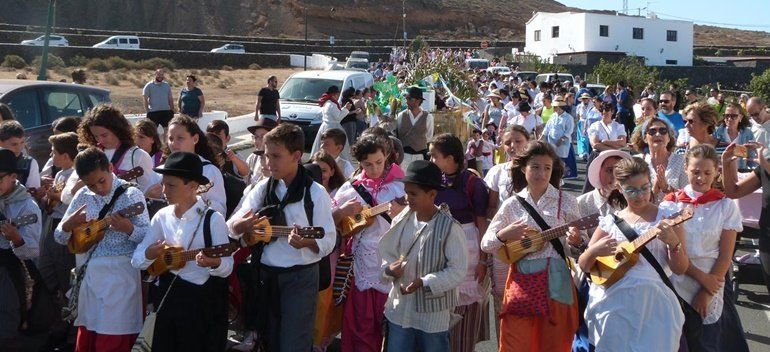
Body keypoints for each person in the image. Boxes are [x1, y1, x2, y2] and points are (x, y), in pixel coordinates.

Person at [227, 123, 336, 352]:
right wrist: (242, 225)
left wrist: (307, 242)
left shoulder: (315, 193)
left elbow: (328, 239)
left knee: (293, 343)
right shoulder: (263, 188)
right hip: (266, 276)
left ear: (296, 156)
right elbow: (231, 226)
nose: (269, 163)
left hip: (301, 278)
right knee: (270, 340)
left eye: (276, 156)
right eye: (267, 156)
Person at [578, 156, 688, 351]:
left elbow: (680, 269)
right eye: (632, 190)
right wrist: (594, 250)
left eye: (645, 187)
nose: (640, 195)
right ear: (619, 189)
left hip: (654, 304)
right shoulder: (611, 221)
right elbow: (585, 265)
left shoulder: (667, 216)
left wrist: (673, 243)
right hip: (612, 305)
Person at [481, 141, 582, 352]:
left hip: (556, 282)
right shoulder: (512, 204)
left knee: (555, 343)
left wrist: (577, 242)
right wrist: (504, 234)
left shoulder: (568, 201)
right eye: (535, 166)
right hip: (522, 281)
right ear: (523, 168)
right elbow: (486, 244)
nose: (541, 173)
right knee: (516, 342)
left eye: (547, 168)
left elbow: (580, 248)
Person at [132, 151, 233, 351]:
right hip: (168, 296)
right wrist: (150, 254)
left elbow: (227, 265)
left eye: (171, 185)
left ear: (193, 186)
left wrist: (215, 263)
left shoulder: (213, 219)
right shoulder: (162, 216)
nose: (164, 190)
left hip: (202, 303)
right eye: (163, 184)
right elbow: (137, 259)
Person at [54, 147, 150, 351]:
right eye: (91, 185)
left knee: (113, 337)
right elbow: (60, 238)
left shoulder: (131, 195)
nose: (98, 188)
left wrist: (129, 229)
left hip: (122, 276)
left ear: (110, 167)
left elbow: (148, 238)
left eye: (101, 181)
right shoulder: (82, 195)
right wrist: (67, 225)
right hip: (91, 274)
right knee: (89, 333)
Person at [662, 145, 750, 351]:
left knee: (705, 342)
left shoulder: (725, 206)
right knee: (675, 341)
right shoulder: (671, 204)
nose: (701, 178)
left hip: (712, 282)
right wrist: (702, 278)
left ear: (717, 171)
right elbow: (670, 250)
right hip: (676, 280)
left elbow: (725, 255)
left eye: (707, 173)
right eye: (695, 172)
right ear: (685, 169)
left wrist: (706, 291)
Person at [379, 160, 468, 352]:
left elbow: (458, 270)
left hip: (433, 317)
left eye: (413, 194)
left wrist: (426, 281)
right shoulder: (400, 220)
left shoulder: (450, 227)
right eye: (406, 192)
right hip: (400, 310)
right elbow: (387, 256)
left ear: (432, 194)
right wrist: (389, 270)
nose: (407, 198)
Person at [332, 135, 405, 352]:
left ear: (388, 157)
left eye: (379, 162)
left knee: (392, 326)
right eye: (367, 164)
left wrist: (402, 214)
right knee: (360, 325)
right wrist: (343, 211)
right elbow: (329, 220)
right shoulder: (351, 188)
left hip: (393, 262)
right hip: (361, 264)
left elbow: (420, 222)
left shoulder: (400, 188)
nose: (374, 169)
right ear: (359, 163)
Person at [429, 134, 491, 352]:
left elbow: (482, 224)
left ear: (451, 158)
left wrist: (484, 261)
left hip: (468, 248)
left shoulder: (473, 184)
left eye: (435, 156)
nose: (431, 160)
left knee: (465, 306)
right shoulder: (435, 180)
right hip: (438, 247)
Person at [482, 124, 530, 333]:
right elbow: (491, 207)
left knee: (530, 295)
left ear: (528, 141)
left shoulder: (538, 170)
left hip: (532, 243)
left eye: (518, 141)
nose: (513, 146)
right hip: (503, 244)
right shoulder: (496, 171)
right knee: (502, 296)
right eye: (508, 142)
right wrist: (500, 231)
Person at [0, 149, 43, 349]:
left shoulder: (27, 206)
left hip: (12, 269)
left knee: (8, 315)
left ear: (13, 176)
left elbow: (33, 251)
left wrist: (17, 239)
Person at [146, 115, 227, 216]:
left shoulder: (210, 171)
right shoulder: (159, 172)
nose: (173, 143)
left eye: (180, 138)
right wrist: (147, 197)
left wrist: (194, 203)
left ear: (195, 139)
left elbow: (220, 211)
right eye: (170, 138)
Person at [76, 105, 159, 194]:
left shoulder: (138, 156)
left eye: (104, 135)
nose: (100, 140)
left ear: (117, 129)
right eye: (95, 136)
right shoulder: (91, 155)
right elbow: (67, 195)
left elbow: (152, 192)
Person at [37, 133, 78, 311]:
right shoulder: (60, 174)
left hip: (65, 228)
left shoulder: (76, 175)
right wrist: (48, 198)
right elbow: (52, 204)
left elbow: (68, 199)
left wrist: (55, 195)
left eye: (54, 153)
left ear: (66, 156)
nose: (51, 156)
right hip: (52, 226)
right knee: (46, 269)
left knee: (64, 273)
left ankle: (69, 322)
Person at [631, 117, 687, 203]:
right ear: (645, 138)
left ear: (668, 138)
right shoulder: (636, 162)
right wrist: (653, 192)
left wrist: (666, 188)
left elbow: (688, 196)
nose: (658, 134)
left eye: (663, 131)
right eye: (652, 131)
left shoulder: (681, 161)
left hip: (675, 214)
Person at [577, 150, 630, 235]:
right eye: (609, 170)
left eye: (620, 171)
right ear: (598, 172)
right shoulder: (581, 203)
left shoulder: (632, 200)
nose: (614, 176)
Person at [395, 87, 435, 171]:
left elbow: (429, 137)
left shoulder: (428, 117)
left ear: (417, 101)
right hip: (404, 156)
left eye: (409, 99)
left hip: (419, 156)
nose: (407, 101)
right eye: (406, 98)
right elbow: (397, 135)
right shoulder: (401, 115)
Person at [311, 86, 353, 161]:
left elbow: (336, 115)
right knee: (337, 144)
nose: (338, 97)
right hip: (333, 126)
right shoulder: (332, 105)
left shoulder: (327, 103)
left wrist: (344, 108)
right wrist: (346, 109)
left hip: (326, 125)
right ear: (334, 94)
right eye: (337, 95)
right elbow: (338, 117)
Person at [541, 96, 576, 178]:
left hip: (562, 142)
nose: (554, 108)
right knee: (552, 159)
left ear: (559, 107)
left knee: (561, 160)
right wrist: (541, 137)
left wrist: (561, 139)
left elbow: (569, 131)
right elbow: (547, 127)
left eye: (555, 107)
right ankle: (554, 176)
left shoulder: (568, 117)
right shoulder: (553, 116)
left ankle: (560, 177)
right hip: (551, 141)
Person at [715, 102, 756, 170]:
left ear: (740, 117)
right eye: (726, 116)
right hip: (719, 173)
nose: (729, 119)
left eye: (733, 116)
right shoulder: (716, 133)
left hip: (740, 172)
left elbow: (751, 158)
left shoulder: (748, 134)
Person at [0, 121, 40, 190]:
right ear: (0, 142)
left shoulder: (29, 164)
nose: (19, 148)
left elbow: (33, 193)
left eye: (22, 142)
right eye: (14, 144)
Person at [245, 118, 277, 186]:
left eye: (262, 137)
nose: (257, 141)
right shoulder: (253, 158)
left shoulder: (281, 160)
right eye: (256, 137)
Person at [575, 93, 597, 160]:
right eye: (583, 99)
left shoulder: (592, 106)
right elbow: (578, 116)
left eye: (586, 98)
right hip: (581, 123)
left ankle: (588, 153)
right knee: (582, 139)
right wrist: (577, 124)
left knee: (588, 138)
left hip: (589, 123)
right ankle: (583, 153)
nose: (584, 100)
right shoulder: (579, 106)